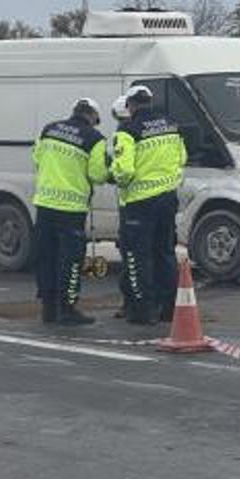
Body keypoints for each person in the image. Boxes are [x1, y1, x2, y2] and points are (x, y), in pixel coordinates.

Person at [110, 85, 187, 325]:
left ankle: (143, 310)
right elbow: (182, 158)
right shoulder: (171, 125)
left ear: (130, 105)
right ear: (150, 101)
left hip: (139, 203)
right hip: (167, 197)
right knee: (164, 252)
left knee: (137, 256)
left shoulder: (128, 129)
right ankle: (169, 309)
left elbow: (124, 171)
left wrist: (113, 174)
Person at [31, 98, 108, 326]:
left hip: (45, 204)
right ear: (93, 117)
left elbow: (37, 158)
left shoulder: (49, 129)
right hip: (72, 210)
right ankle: (67, 308)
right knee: (70, 260)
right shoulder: (94, 139)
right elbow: (97, 175)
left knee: (46, 258)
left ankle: (48, 309)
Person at [109, 94, 136, 320]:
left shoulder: (124, 135)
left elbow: (123, 171)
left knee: (132, 257)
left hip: (132, 203)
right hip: (161, 199)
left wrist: (113, 175)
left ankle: (131, 304)